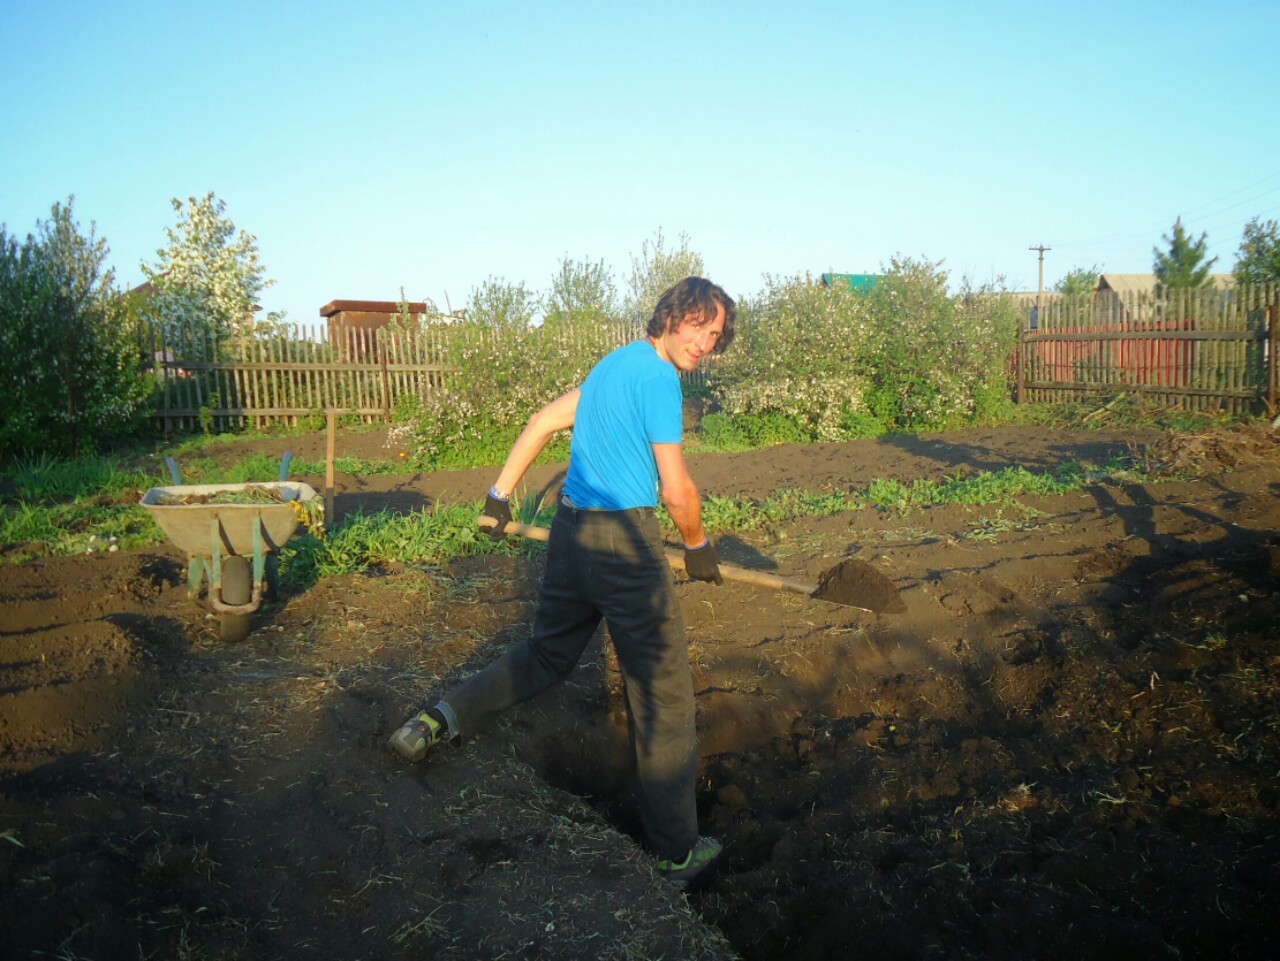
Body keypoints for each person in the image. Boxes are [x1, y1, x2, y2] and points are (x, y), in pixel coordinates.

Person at [389, 276, 736, 891]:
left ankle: (437, 719)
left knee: (547, 654)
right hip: (624, 543)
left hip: (571, 535)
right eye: (698, 326)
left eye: (715, 335)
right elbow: (676, 489)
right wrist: (697, 545)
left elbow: (543, 420)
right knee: (664, 696)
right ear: (671, 316)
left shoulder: (613, 364)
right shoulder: (659, 378)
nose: (705, 343)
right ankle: (678, 853)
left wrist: (499, 496)